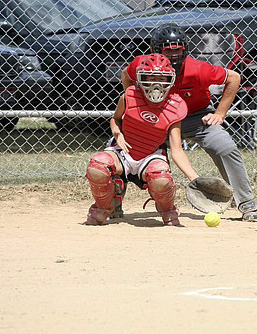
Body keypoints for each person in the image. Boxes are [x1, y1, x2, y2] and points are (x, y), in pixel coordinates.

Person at [121, 25, 257, 221]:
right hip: (157, 117)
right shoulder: (143, 65)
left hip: (196, 117)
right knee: (121, 150)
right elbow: (126, 75)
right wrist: (136, 105)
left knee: (225, 147)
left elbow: (234, 78)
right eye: (168, 50)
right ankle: (112, 203)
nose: (174, 54)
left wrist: (219, 114)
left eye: (177, 49)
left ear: (185, 49)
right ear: (156, 50)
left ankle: (246, 203)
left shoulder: (197, 69)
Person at [85, 54, 200, 226]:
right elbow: (115, 119)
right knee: (98, 166)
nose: (156, 83)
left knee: (161, 177)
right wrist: (118, 133)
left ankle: (167, 209)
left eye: (162, 78)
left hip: (150, 155)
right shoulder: (129, 96)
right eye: (150, 77)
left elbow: (177, 150)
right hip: (124, 152)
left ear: (171, 79)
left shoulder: (176, 106)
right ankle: (104, 206)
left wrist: (195, 179)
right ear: (140, 78)